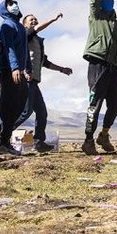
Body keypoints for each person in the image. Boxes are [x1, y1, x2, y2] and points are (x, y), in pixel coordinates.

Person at [12, 12, 72, 153]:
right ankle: (1, 135)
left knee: (42, 112)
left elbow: (44, 62)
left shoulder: (37, 42)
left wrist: (61, 69)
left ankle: (39, 142)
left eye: (35, 19)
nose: (34, 21)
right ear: (24, 24)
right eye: (31, 20)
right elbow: (36, 29)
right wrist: (53, 19)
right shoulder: (25, 35)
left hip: (34, 81)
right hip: (26, 79)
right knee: (26, 112)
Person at [81, 0, 117, 156]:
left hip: (113, 66)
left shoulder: (116, 23)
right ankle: (88, 139)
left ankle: (104, 134)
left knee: (116, 102)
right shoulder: (96, 16)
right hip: (97, 63)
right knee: (95, 103)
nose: (109, 1)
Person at [0, 0, 29, 155]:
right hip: (8, 70)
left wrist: (26, 68)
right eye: (9, 4)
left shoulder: (20, 26)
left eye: (14, 3)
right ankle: (3, 143)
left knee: (20, 104)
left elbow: (24, 50)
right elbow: (10, 49)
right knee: (9, 105)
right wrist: (15, 67)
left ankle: (4, 139)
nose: (14, 6)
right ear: (4, 9)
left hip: (19, 71)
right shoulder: (6, 25)